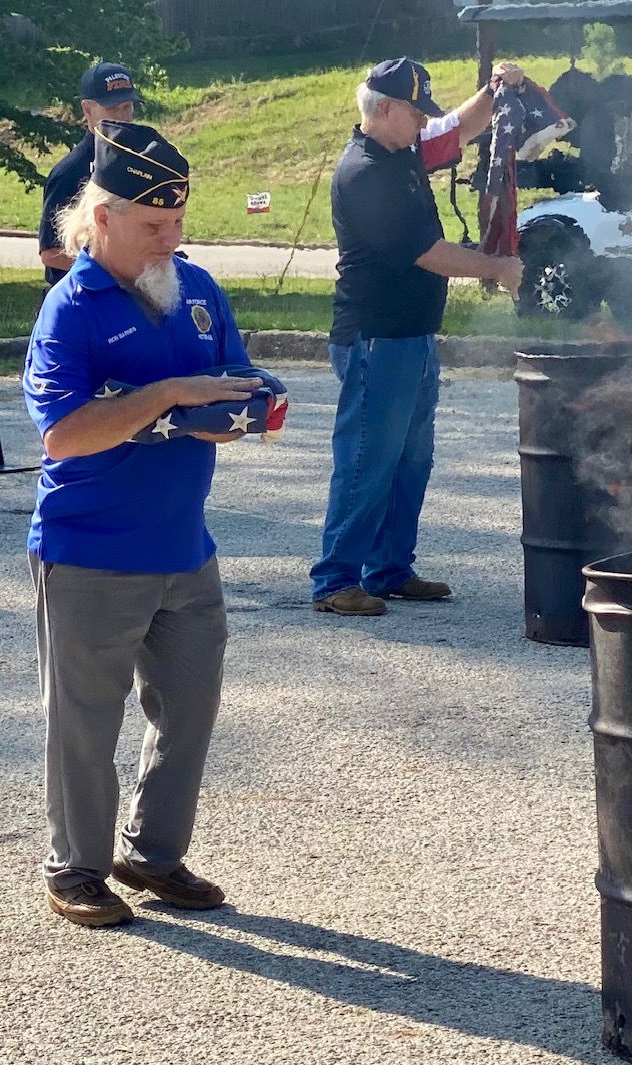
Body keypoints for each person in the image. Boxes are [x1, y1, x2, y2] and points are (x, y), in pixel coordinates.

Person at [24, 119, 264, 928]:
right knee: (86, 721)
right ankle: (76, 869)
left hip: (184, 547)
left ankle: (153, 856)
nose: (172, 237)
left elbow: (234, 374)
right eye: (154, 225)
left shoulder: (194, 288)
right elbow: (61, 434)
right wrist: (166, 400)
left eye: (178, 222)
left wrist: (253, 404)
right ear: (101, 217)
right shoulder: (68, 311)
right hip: (90, 549)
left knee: (190, 709)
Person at [310, 57, 525, 616]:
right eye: (413, 111)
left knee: (411, 459)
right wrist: (496, 267)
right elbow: (428, 255)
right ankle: (335, 579)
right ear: (383, 109)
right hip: (376, 337)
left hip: (410, 335)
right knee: (367, 459)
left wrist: (495, 89)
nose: (421, 122)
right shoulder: (366, 173)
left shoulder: (399, 149)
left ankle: (388, 569)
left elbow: (458, 128)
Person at [39, 62, 140, 287]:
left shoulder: (137, 163)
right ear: (87, 110)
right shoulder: (70, 172)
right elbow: (51, 253)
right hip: (80, 300)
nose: (123, 117)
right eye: (113, 108)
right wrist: (116, 270)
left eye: (127, 106)